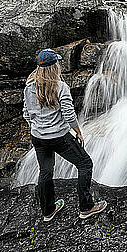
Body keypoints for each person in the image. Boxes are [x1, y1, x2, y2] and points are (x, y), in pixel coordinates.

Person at [23, 48, 107, 222]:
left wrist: (37, 127)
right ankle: (86, 207)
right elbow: (69, 114)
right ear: (54, 66)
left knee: (45, 171)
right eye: (58, 62)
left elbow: (26, 112)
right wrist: (78, 131)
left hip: (38, 137)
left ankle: (48, 211)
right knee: (85, 164)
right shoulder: (60, 87)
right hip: (58, 137)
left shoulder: (29, 87)